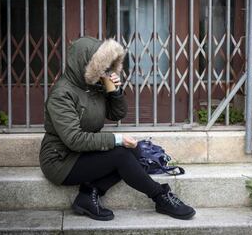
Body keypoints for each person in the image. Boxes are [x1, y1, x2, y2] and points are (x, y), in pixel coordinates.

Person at [39, 36, 195, 221]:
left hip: (81, 152)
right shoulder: (62, 94)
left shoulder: (93, 87)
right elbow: (74, 139)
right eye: (100, 65)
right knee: (121, 154)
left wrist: (115, 92)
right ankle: (160, 196)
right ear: (84, 63)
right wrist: (117, 139)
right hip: (60, 160)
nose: (104, 70)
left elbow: (116, 114)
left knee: (134, 150)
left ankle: (88, 195)